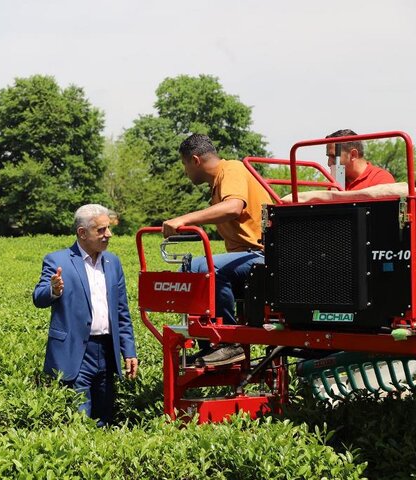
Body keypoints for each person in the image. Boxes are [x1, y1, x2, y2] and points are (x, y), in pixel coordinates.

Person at [162, 134, 272, 367]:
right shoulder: (216, 187)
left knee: (206, 267)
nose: (185, 172)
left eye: (184, 165)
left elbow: (233, 207)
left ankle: (228, 344)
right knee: (190, 266)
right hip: (248, 257)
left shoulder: (232, 169)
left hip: (263, 255)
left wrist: (184, 219)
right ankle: (210, 345)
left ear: (195, 160)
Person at [33, 204, 138, 426]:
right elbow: (38, 297)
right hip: (76, 353)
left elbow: (121, 310)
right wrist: (53, 290)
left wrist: (129, 351)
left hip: (107, 351)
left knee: (105, 418)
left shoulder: (113, 262)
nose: (108, 234)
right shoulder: (57, 261)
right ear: (82, 233)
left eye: (108, 228)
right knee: (79, 421)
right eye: (101, 230)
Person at [326, 129, 395, 190]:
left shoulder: (380, 178)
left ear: (353, 155)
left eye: (334, 156)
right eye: (328, 157)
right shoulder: (336, 183)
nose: (328, 163)